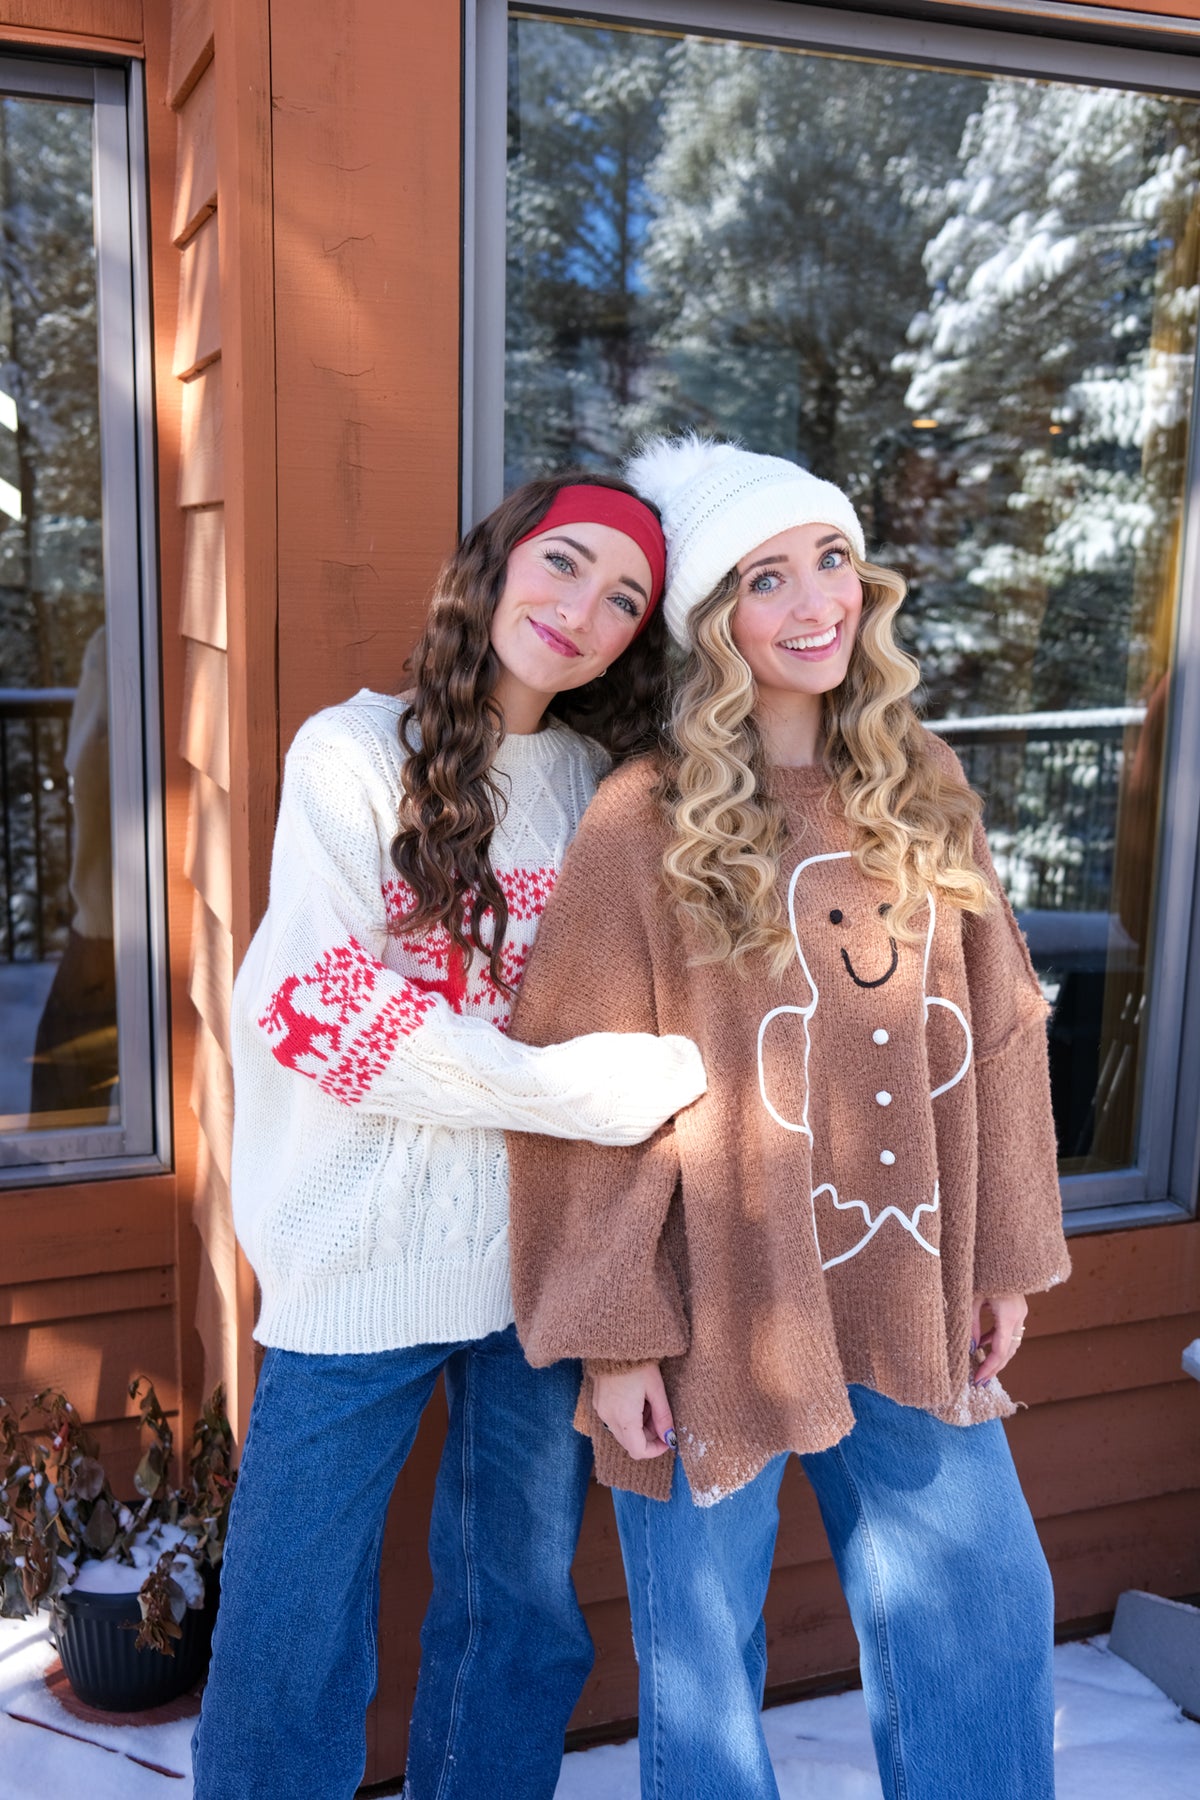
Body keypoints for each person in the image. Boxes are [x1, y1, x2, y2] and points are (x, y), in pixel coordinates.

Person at [507, 436, 1072, 1800]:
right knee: (702, 1667)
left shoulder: (919, 782)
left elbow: (997, 1032)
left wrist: (1003, 1252)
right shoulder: (642, 822)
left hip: (908, 1276)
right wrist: (613, 1337)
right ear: (715, 621)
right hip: (717, 1305)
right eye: (767, 579)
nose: (816, 601)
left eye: (831, 559)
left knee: (985, 1605)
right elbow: (584, 1094)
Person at [191, 472, 707, 1800]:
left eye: (623, 598)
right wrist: (571, 1092)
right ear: (495, 563)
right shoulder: (353, 754)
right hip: (355, 1259)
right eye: (563, 563)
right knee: (291, 1632)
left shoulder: (602, 783)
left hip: (536, 1264)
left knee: (520, 1617)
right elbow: (319, 1009)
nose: (581, 608)